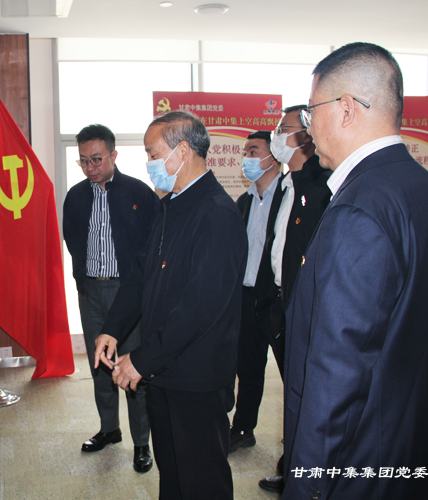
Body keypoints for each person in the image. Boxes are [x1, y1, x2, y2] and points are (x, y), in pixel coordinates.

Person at [282, 42, 428, 499]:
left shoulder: (359, 208)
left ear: (345, 109)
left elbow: (336, 373)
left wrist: (306, 486)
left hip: (364, 466)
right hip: (418, 450)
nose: (308, 128)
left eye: (311, 112)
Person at [94, 111, 247, 499]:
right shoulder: (171, 206)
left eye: (152, 153)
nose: (148, 163)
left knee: (202, 481)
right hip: (163, 371)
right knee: (173, 474)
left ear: (182, 151)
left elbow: (200, 307)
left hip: (196, 378)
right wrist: (112, 328)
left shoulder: (217, 214)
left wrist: (142, 359)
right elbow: (140, 276)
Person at [62, 124, 160, 473]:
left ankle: (142, 443)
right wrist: (84, 279)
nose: (90, 168)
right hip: (92, 292)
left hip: (128, 294)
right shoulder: (75, 196)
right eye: (83, 161)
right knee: (100, 366)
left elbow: (152, 245)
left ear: (114, 155)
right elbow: (72, 240)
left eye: (97, 159)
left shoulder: (138, 193)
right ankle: (109, 429)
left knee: (132, 367)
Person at [257, 105, 333, 494]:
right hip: (280, 304)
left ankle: (305, 473)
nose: (276, 135)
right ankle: (293, 467)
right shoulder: (287, 184)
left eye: (282, 128)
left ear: (304, 135)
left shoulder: (322, 187)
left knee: (309, 396)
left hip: (307, 309)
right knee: (293, 393)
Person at [229, 130, 283, 453]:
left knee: (292, 373)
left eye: (254, 151)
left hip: (277, 300)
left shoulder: (288, 196)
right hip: (246, 298)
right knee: (248, 369)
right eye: (245, 152)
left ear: (273, 157)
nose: (247, 158)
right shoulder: (244, 201)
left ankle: (298, 438)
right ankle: (243, 428)